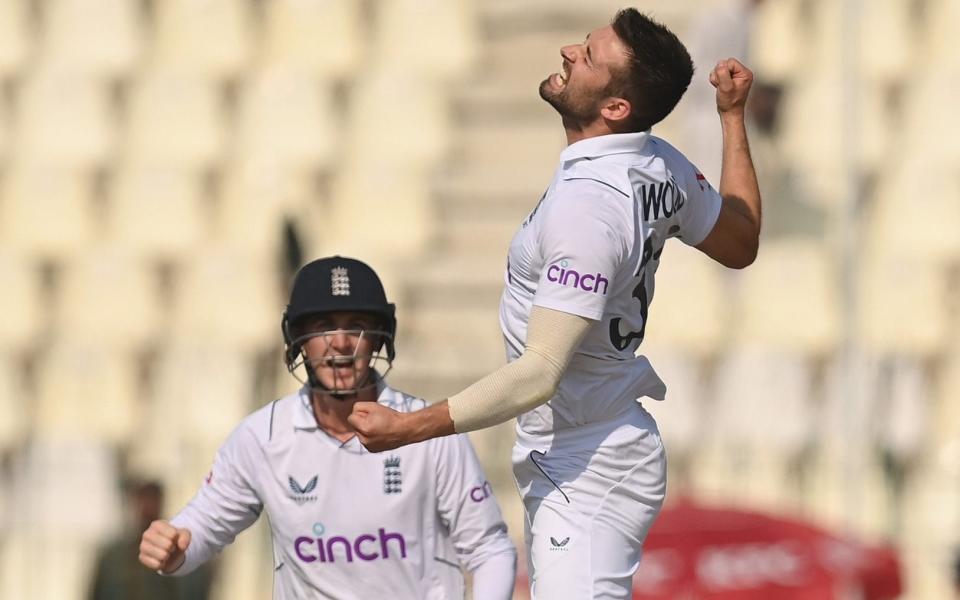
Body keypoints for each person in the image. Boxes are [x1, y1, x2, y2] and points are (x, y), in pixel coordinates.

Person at [347, 8, 761, 599]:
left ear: (616, 108)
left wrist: (410, 427)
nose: (569, 51)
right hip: (585, 447)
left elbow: (540, 372)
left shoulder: (589, 209)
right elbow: (740, 239)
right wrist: (731, 118)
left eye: (589, 56)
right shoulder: (653, 159)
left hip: (591, 464)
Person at [138, 256, 517, 599]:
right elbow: (202, 526)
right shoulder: (263, 437)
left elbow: (489, 548)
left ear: (379, 339)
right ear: (298, 341)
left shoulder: (425, 430)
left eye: (356, 326)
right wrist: (174, 549)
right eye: (323, 327)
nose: (340, 343)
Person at [89, 481, 214, 600]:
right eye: (144, 500)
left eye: (152, 500)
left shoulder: (180, 554)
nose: (148, 507)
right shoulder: (114, 557)